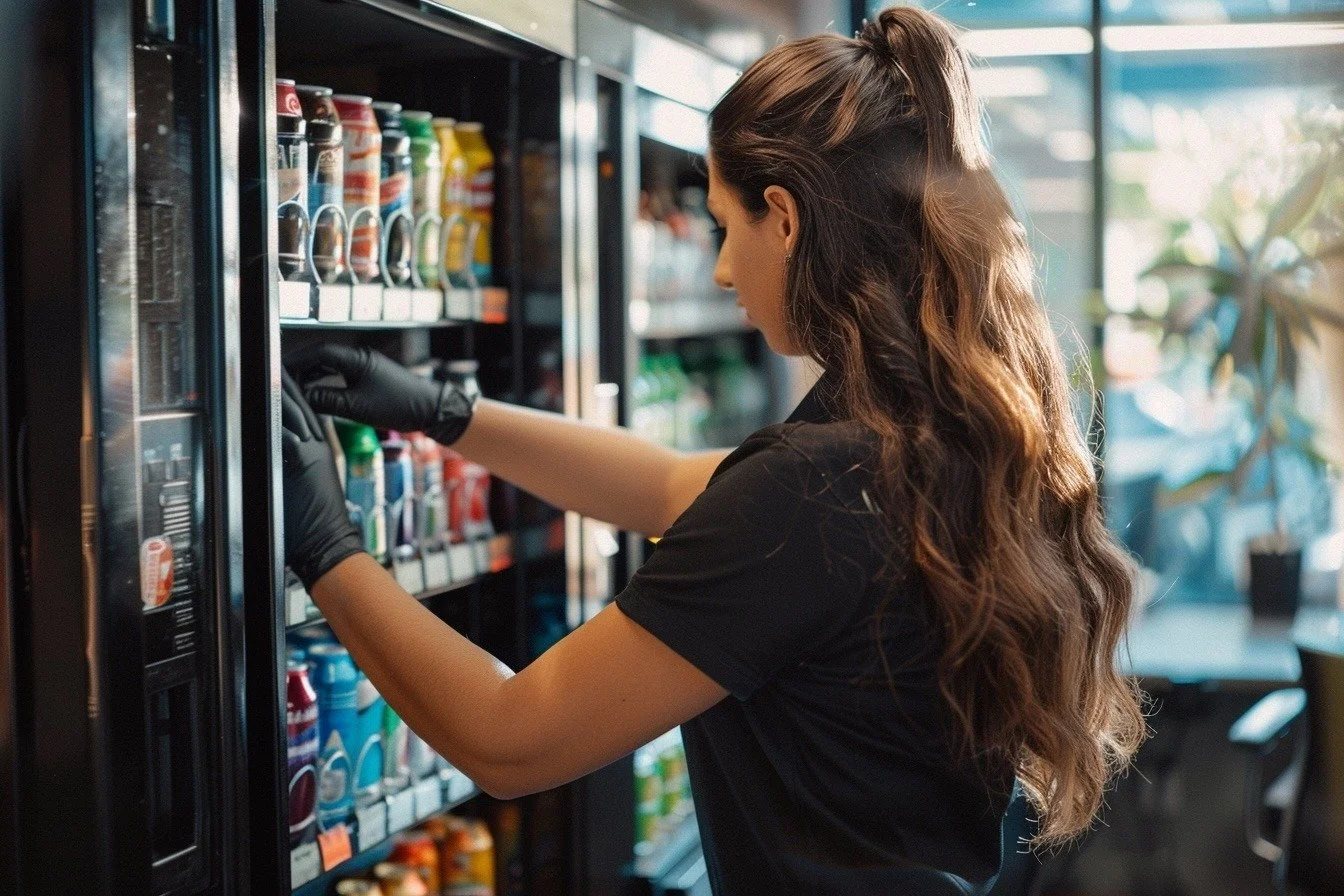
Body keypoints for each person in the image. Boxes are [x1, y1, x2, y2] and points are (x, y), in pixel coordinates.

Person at [281, 6, 1145, 894]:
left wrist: (329, 549)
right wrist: (447, 411)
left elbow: (508, 738)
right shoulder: (934, 434)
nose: (723, 270)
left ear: (786, 217)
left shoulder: (815, 491)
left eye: (727, 226)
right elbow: (662, 487)